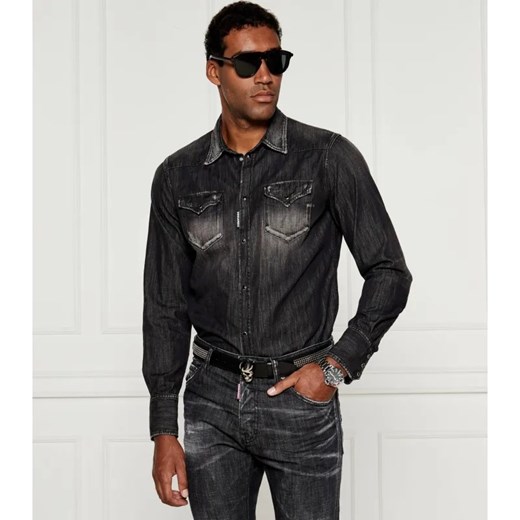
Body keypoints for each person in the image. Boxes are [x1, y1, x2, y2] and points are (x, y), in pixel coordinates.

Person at [142, 2, 412, 518]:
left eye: (276, 61)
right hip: (211, 403)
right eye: (248, 63)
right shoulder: (177, 176)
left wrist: (334, 368)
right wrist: (163, 429)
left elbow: (389, 272)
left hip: (299, 400)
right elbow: (164, 308)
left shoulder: (329, 157)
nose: (265, 75)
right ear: (214, 71)